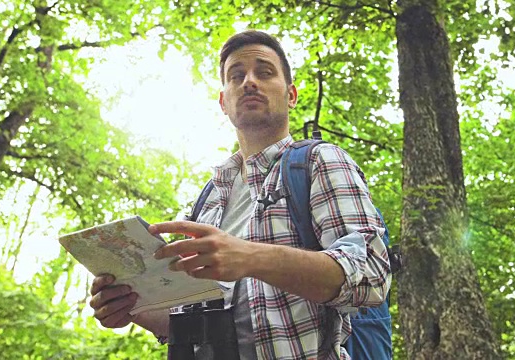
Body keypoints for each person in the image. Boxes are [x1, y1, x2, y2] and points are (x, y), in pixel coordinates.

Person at [88, 30, 391, 359]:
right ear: (223, 102)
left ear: (291, 95)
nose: (249, 81)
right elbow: (201, 318)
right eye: (236, 76)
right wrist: (133, 310)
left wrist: (250, 257)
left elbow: (373, 275)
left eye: (264, 72)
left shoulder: (319, 161)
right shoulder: (209, 201)